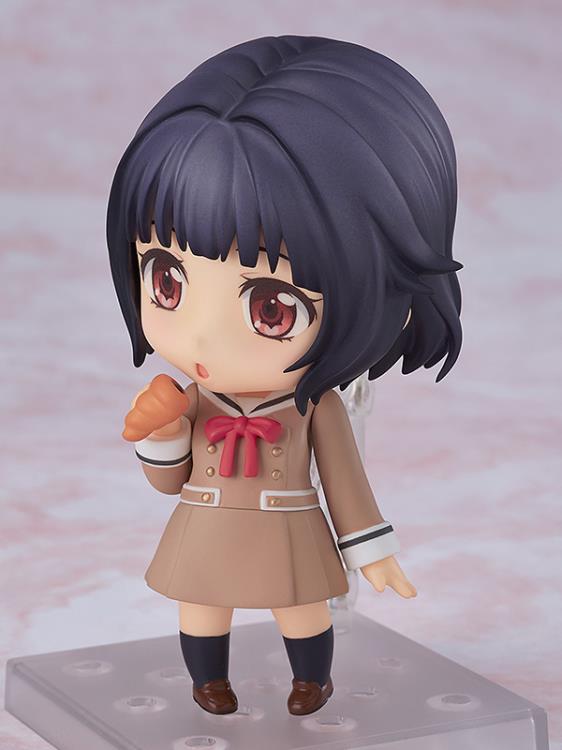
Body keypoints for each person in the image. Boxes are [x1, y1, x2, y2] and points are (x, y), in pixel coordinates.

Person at [106, 34, 462, 716]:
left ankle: (312, 680)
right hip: (206, 522)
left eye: (271, 306)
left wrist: (369, 548)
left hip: (287, 525)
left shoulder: (312, 407)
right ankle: (208, 681)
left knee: (301, 607)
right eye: (168, 280)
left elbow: (345, 482)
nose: (202, 338)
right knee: (200, 606)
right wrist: (163, 434)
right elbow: (168, 482)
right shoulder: (194, 398)